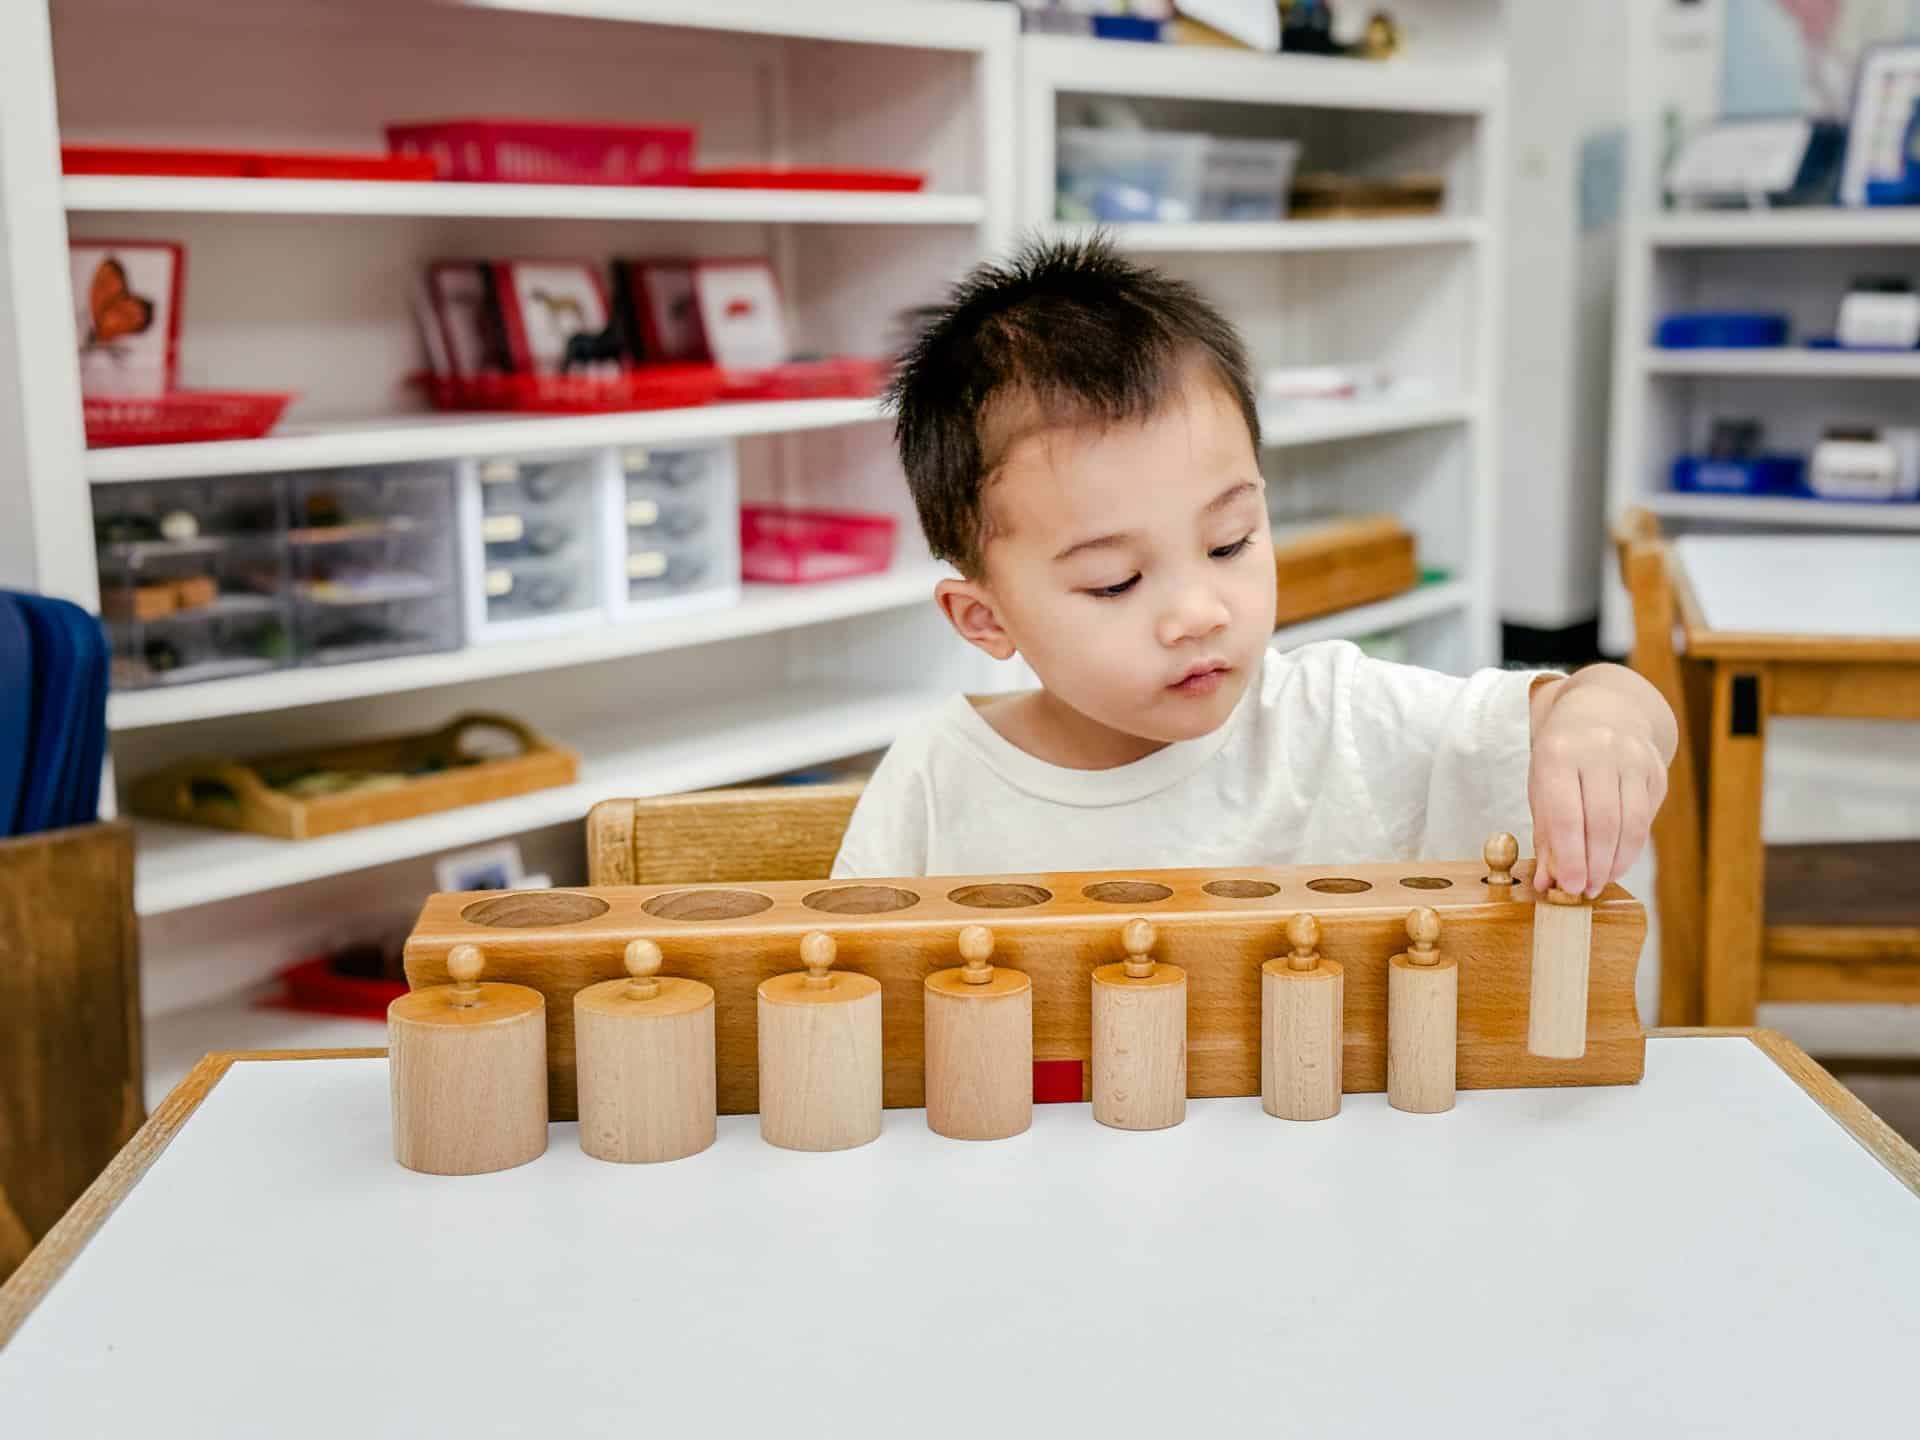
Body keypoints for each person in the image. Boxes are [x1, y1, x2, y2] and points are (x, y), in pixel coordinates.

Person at [831, 236, 1674, 893]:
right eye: (1115, 582)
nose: (1199, 611)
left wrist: (1605, 716)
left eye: (1230, 542)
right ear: (986, 619)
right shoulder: (938, 786)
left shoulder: (1339, 718)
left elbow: (1597, 701)